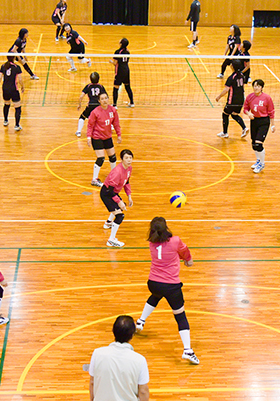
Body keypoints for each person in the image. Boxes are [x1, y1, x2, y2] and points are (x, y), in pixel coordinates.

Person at [136, 217, 200, 365]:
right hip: (171, 286)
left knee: (156, 296)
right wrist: (188, 260)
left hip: (153, 283)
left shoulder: (152, 243)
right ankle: (188, 350)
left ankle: (140, 321)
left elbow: (170, 251)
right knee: (180, 316)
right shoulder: (175, 241)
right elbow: (184, 251)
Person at [88, 316, 149, 401]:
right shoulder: (140, 360)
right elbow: (143, 391)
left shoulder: (97, 354)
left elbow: (92, 382)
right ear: (132, 335)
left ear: (113, 331)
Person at [100, 149, 133, 248]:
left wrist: (129, 196)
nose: (129, 160)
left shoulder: (129, 168)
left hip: (113, 192)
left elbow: (126, 182)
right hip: (107, 193)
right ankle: (111, 240)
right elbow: (110, 191)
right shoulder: (117, 172)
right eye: (126, 158)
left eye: (130, 158)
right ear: (122, 159)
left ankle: (108, 223)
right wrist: (119, 201)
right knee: (120, 216)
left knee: (121, 206)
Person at [87, 92, 121, 187]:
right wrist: (89, 137)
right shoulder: (95, 112)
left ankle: (114, 175)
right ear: (99, 101)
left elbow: (116, 123)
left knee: (113, 157)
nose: (104, 100)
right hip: (97, 137)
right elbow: (90, 125)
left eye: (106, 98)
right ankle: (94, 179)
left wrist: (119, 135)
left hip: (107, 137)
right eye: (102, 99)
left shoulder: (113, 110)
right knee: (101, 158)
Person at [243, 79, 275, 173]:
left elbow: (271, 111)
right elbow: (245, 109)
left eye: (258, 86)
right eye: (255, 86)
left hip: (264, 121)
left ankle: (262, 163)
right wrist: (248, 113)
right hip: (254, 121)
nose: (256, 88)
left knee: (258, 143)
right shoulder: (250, 97)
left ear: (261, 87)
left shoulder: (267, 98)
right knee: (254, 144)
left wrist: (273, 125)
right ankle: (258, 160)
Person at [215, 60, 247, 138]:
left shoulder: (231, 77)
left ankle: (225, 133)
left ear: (232, 67)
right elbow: (242, 87)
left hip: (232, 100)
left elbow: (226, 90)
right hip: (241, 100)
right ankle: (244, 128)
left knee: (225, 114)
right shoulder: (242, 75)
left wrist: (219, 97)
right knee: (234, 115)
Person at [0, 56, 25, 131]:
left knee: (6, 104)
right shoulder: (17, 67)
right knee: (17, 107)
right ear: (14, 58)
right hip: (13, 89)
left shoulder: (3, 66)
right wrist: (22, 86)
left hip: (5, 89)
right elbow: (20, 79)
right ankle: (17, 125)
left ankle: (5, 121)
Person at [76, 72, 107, 137]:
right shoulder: (100, 86)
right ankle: (109, 128)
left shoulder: (88, 86)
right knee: (104, 116)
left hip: (91, 105)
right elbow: (105, 96)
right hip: (99, 105)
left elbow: (81, 96)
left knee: (82, 117)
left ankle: (78, 132)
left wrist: (79, 104)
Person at [110, 38, 135, 108]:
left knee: (116, 88)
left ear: (121, 43)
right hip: (126, 71)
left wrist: (111, 61)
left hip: (119, 71)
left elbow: (115, 63)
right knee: (127, 87)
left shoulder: (117, 52)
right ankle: (132, 102)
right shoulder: (127, 51)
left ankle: (114, 105)